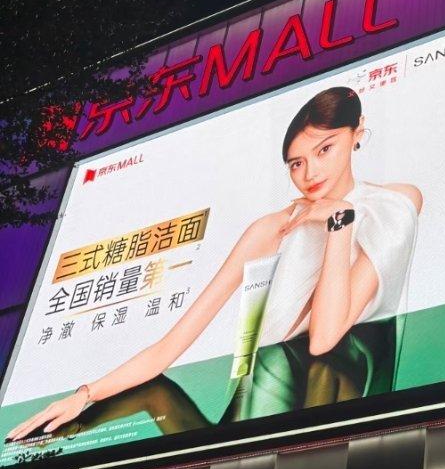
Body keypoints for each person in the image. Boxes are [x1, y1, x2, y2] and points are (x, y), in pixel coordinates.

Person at [8, 86, 422, 441]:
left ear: (357, 133)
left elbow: (325, 338)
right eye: (296, 163)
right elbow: (170, 346)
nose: (310, 172)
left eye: (324, 149)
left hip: (349, 381)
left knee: (327, 374)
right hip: (267, 386)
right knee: (172, 412)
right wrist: (84, 396)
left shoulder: (393, 204)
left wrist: (340, 221)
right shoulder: (272, 229)